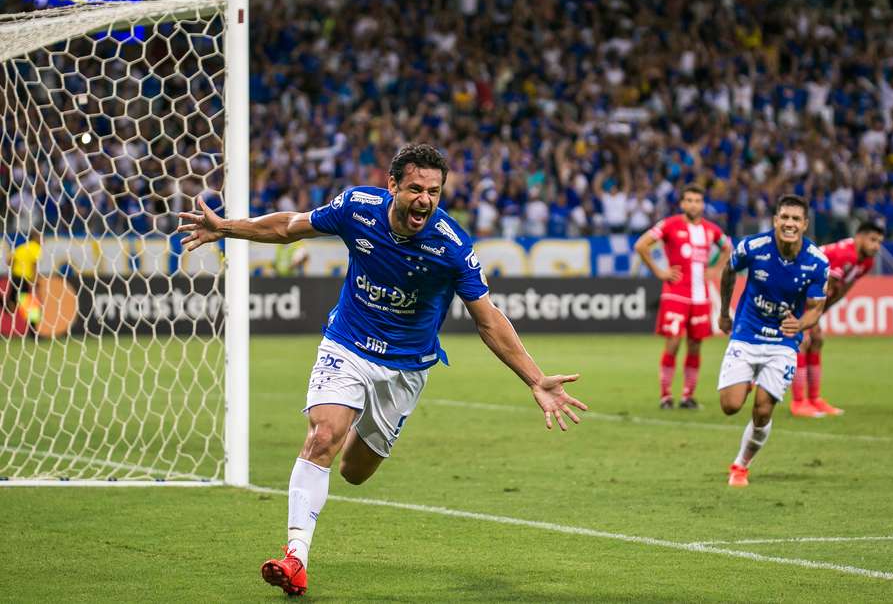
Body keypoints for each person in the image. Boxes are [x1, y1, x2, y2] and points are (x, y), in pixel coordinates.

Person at [177, 143, 588, 596]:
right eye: (415, 188)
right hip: (348, 344)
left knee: (354, 470)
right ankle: (296, 558)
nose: (425, 200)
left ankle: (356, 426)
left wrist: (535, 378)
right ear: (392, 185)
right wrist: (228, 228)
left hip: (406, 369)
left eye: (434, 191)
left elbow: (487, 317)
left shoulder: (451, 246)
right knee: (323, 437)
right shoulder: (357, 208)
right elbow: (291, 226)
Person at [717, 195, 829, 487]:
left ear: (804, 224)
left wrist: (801, 323)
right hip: (747, 332)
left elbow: (816, 307)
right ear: (775, 221)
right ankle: (750, 379)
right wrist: (723, 313)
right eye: (785, 218)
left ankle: (740, 465)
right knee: (730, 406)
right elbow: (728, 270)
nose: (789, 224)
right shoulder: (753, 247)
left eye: (796, 219)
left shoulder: (817, 262)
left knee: (763, 409)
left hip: (783, 341)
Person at [634, 185, 731, 410]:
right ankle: (666, 396)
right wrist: (660, 271)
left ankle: (688, 396)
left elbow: (728, 248)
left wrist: (716, 270)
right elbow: (641, 245)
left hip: (700, 298)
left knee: (695, 346)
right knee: (673, 343)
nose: (693, 204)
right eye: (689, 200)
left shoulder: (711, 230)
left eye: (697, 200)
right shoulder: (670, 224)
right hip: (676, 295)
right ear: (682, 203)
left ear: (702, 204)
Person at [789, 221, 885, 417]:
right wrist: (807, 319)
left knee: (817, 340)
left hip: (810, 298)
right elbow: (819, 290)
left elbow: (840, 291)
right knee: (802, 342)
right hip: (793, 291)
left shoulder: (866, 261)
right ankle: (799, 402)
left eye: (879, 242)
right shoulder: (844, 255)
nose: (876, 246)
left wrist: (816, 318)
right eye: (873, 240)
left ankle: (815, 399)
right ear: (859, 237)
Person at [4, 229, 42, 321]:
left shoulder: (21, 247)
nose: (41, 239)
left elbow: (9, 260)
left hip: (15, 276)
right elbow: (34, 264)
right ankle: (33, 328)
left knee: (13, 301)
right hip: (24, 278)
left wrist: (13, 270)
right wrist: (34, 278)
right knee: (27, 301)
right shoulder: (36, 247)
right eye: (39, 237)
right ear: (35, 238)